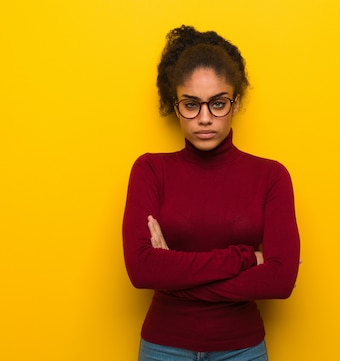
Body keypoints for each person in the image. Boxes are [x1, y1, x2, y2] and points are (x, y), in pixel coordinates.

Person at [122, 25, 301, 361]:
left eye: (217, 103)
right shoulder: (150, 171)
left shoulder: (271, 176)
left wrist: (174, 278)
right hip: (164, 347)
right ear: (174, 106)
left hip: (242, 349)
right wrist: (245, 258)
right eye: (191, 104)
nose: (204, 118)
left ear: (235, 103)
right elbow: (141, 270)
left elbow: (280, 279)